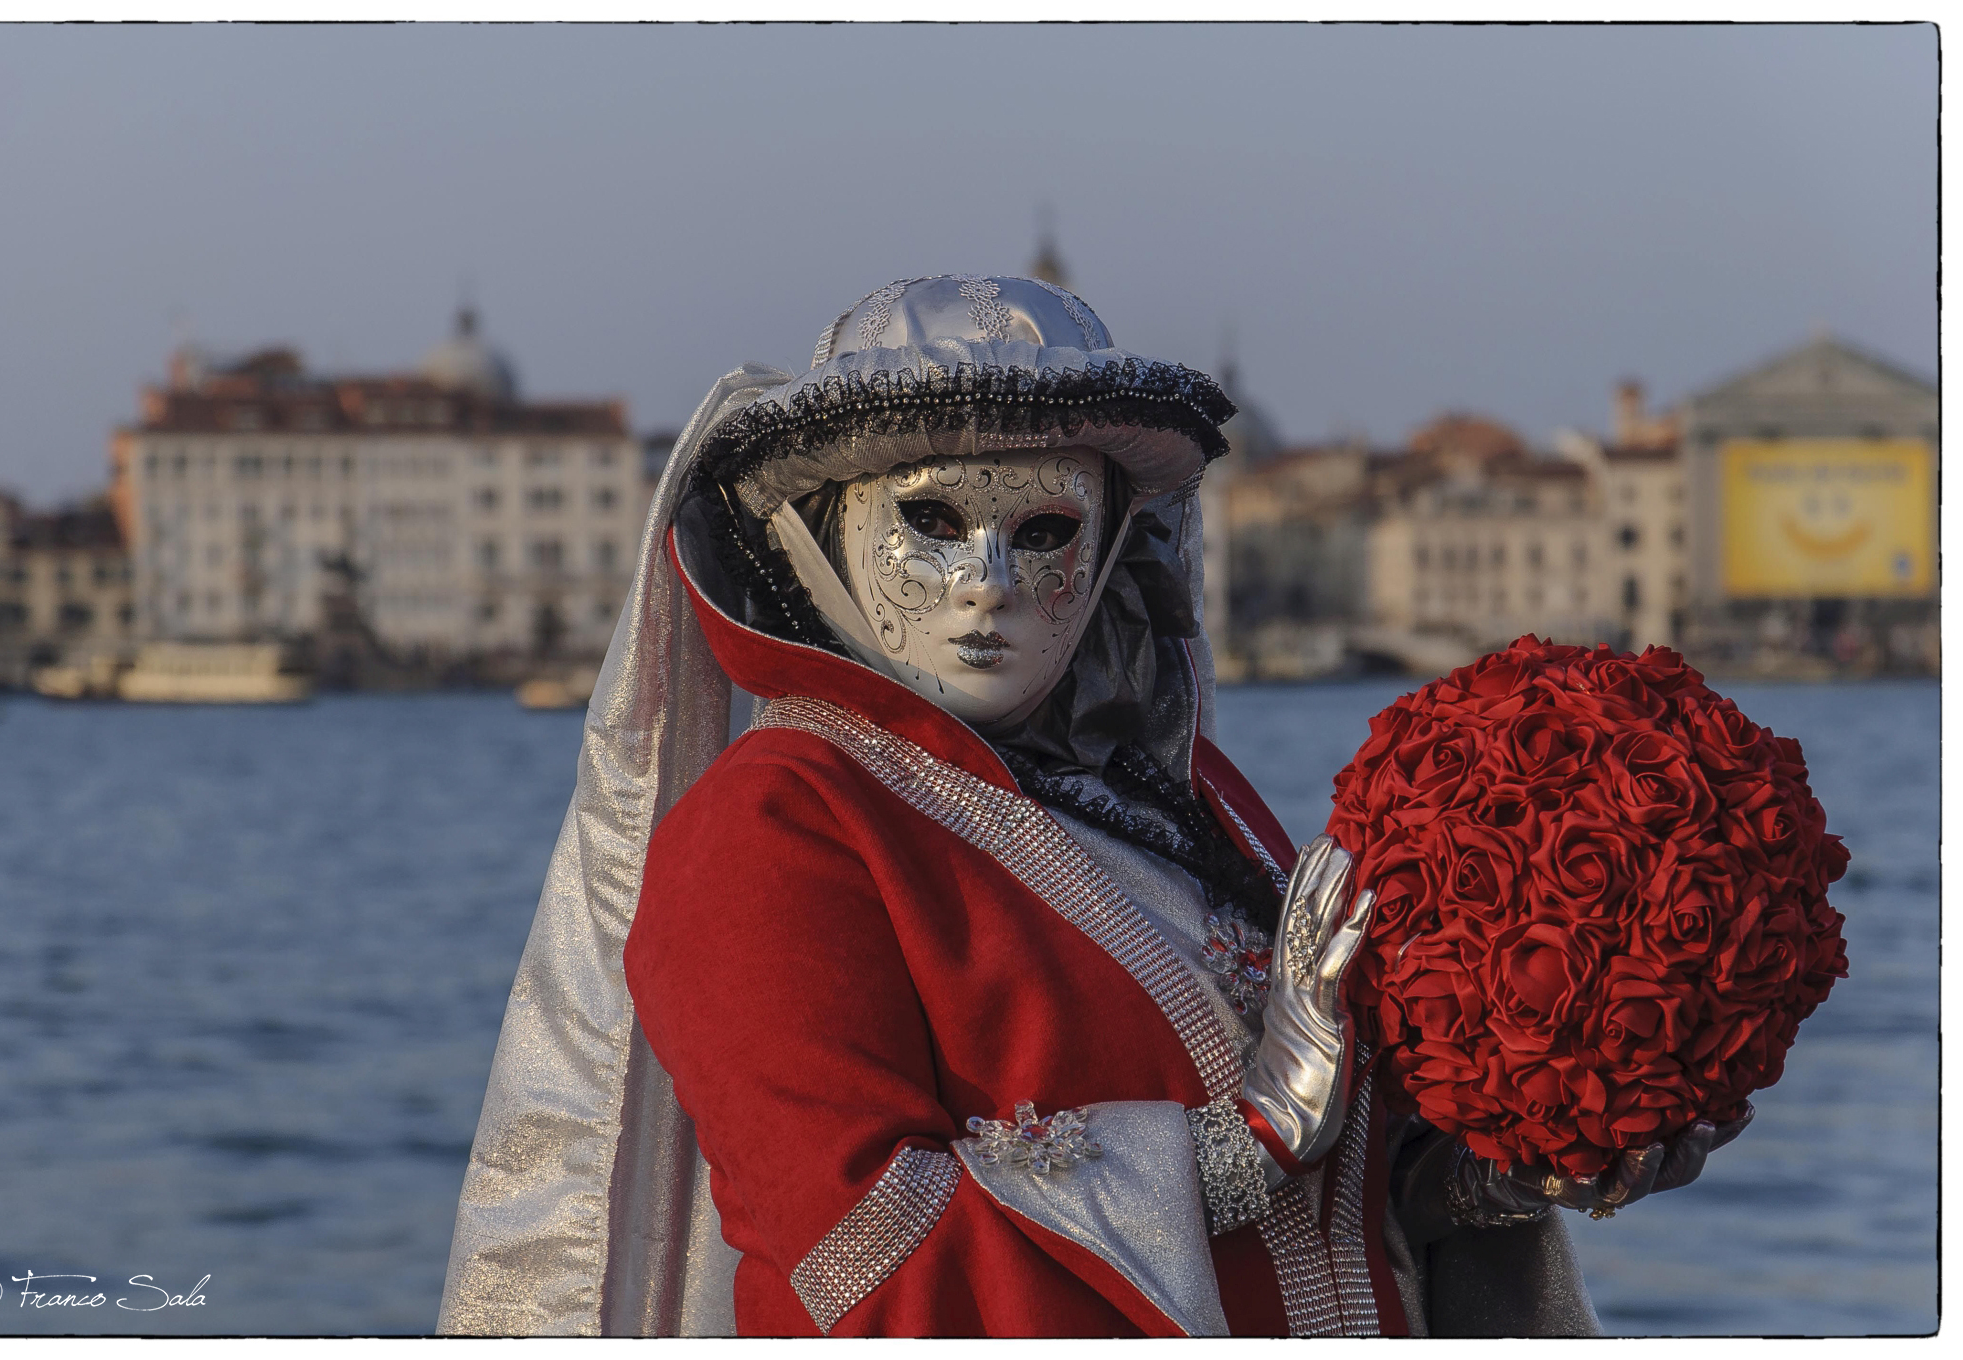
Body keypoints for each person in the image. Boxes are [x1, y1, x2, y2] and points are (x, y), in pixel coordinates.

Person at [438, 276, 1742, 1337]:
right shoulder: (773, 832)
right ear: (817, 539)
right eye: (931, 523)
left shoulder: (1187, 812)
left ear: (1115, 546)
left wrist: (1499, 1174)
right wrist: (1247, 1138)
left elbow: (1337, 1183)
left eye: (1045, 531)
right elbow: (868, 1271)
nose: (987, 583)